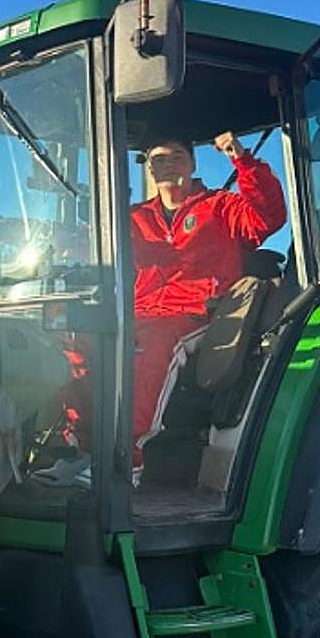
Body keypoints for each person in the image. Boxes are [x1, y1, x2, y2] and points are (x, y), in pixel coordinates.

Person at [130, 132, 286, 459]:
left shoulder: (220, 207)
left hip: (199, 312)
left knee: (157, 345)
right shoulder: (134, 219)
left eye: (176, 157)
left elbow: (267, 217)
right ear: (149, 169)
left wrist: (241, 159)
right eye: (158, 159)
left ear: (192, 163)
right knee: (81, 339)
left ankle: (125, 458)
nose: (168, 165)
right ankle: (80, 451)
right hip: (139, 313)